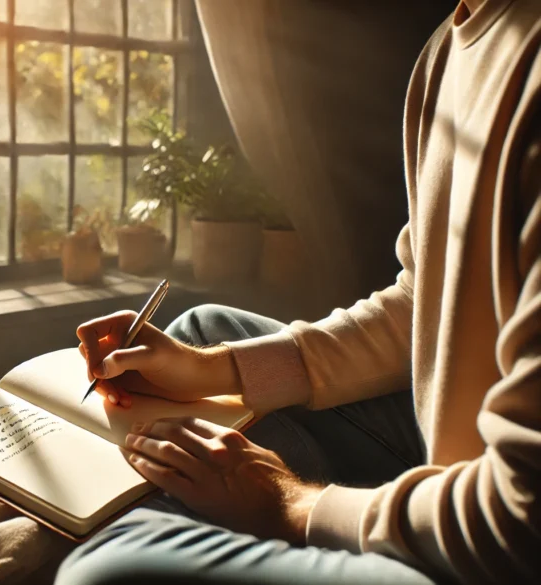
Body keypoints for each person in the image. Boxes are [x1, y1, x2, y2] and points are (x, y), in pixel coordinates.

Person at [56, 1, 541, 583]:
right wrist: (208, 370)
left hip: (501, 541)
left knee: (107, 568)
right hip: (455, 464)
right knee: (206, 330)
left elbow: (521, 518)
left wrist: (290, 502)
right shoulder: (448, 50)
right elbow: (427, 301)